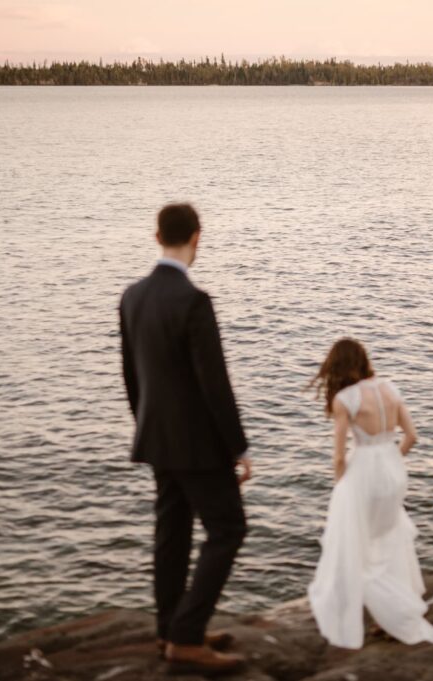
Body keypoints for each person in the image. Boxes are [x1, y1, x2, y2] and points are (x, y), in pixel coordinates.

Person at [119, 203, 252, 676]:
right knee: (228, 530)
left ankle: (168, 629)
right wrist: (238, 446)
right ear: (198, 236)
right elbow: (213, 384)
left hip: (156, 439)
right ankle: (187, 637)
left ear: (156, 235)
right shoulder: (194, 301)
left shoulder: (132, 296)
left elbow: (131, 379)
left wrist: (148, 427)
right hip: (198, 445)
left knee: (171, 534)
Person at [307, 338, 433, 649]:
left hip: (364, 472)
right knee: (387, 538)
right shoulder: (389, 389)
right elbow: (412, 437)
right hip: (393, 469)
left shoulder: (345, 399)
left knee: (357, 545)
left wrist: (342, 483)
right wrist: (392, 461)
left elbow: (339, 456)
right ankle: (393, 610)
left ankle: (392, 612)